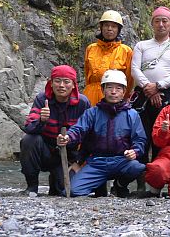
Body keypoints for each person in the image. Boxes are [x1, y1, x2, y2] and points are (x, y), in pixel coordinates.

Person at [56, 70, 146, 198]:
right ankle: (99, 184)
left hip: (121, 160)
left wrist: (135, 151)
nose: (113, 91)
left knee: (137, 167)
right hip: (97, 162)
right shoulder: (92, 113)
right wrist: (68, 137)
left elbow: (140, 140)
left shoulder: (132, 115)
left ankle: (120, 185)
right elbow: (79, 129)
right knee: (72, 192)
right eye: (109, 87)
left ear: (124, 91)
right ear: (103, 90)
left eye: (118, 88)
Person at [131, 6, 170, 190]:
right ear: (152, 23)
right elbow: (135, 70)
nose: (161, 24)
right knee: (141, 137)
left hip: (167, 97)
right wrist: (150, 88)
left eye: (165, 21)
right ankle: (140, 183)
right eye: (157, 21)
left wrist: (158, 86)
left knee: (162, 139)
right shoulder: (141, 45)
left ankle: (156, 183)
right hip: (143, 97)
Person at [20, 65, 91, 196]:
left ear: (74, 85)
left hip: (69, 155)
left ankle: (55, 181)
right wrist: (42, 120)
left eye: (66, 81)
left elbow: (90, 136)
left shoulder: (83, 103)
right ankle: (32, 187)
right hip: (46, 151)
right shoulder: (42, 99)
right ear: (51, 83)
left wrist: (79, 162)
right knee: (28, 140)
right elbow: (29, 127)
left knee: (63, 191)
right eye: (57, 81)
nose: (61, 85)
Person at [83, 10, 134, 106]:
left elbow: (129, 79)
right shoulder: (91, 48)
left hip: (114, 96)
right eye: (106, 25)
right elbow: (87, 74)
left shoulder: (126, 51)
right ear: (101, 27)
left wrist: (124, 96)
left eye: (114, 26)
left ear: (118, 29)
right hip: (91, 94)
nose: (109, 29)